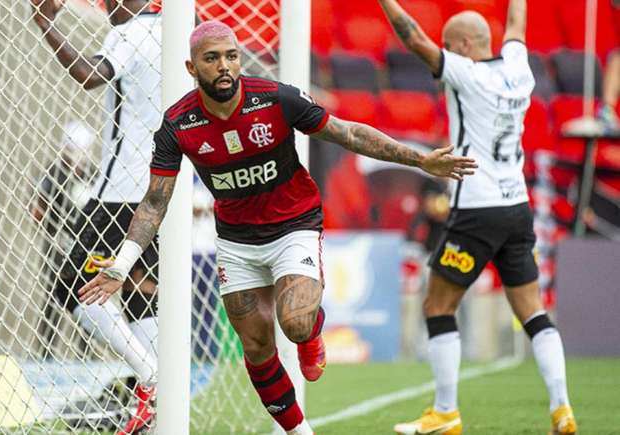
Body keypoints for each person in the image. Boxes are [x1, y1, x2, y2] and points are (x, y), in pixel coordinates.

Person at [77, 20, 476, 434]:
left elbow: (347, 133)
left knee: (295, 322)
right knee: (256, 345)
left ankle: (311, 335)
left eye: (231, 55)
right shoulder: (178, 124)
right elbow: (155, 200)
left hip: (293, 226)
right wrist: (122, 265)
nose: (225, 66)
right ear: (191, 68)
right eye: (211, 59)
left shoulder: (274, 99)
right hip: (236, 240)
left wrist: (419, 160)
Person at [378, 0, 578, 433]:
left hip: (476, 210)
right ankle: (562, 407)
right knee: (532, 311)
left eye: (449, 46)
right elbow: (518, 22)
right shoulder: (519, 65)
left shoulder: (465, 73)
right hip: (516, 207)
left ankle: (446, 412)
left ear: (465, 46)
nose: (444, 54)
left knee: (437, 305)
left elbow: (413, 38)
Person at [30, 1, 161, 433]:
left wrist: (47, 24)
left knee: (73, 287)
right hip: (161, 193)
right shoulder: (173, 32)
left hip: (119, 196)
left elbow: (91, 75)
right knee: (143, 297)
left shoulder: (129, 33)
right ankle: (158, 406)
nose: (104, 8)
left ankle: (152, 378)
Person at [31, 120, 96, 357]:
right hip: (59, 244)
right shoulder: (53, 174)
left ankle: (85, 353)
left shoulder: (93, 175)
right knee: (54, 298)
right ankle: (46, 352)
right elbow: (37, 211)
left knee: (87, 297)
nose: (80, 157)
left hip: (87, 246)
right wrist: (49, 215)